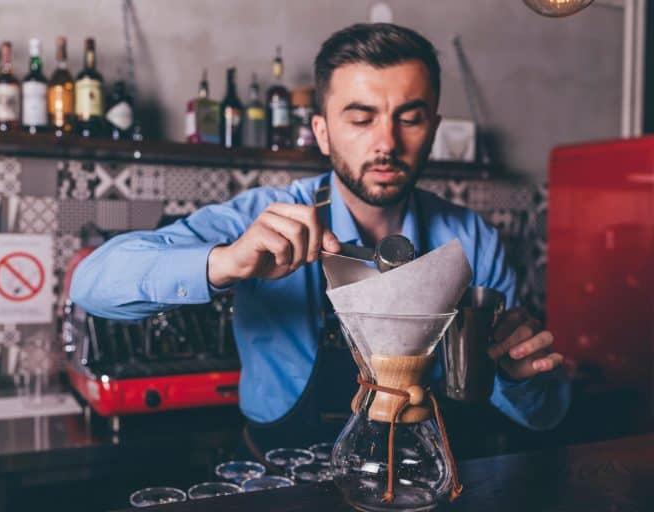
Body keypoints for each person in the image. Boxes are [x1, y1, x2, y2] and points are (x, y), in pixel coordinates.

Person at [70, 23, 570, 458]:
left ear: (433, 128)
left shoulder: (472, 241)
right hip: (284, 483)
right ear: (323, 132)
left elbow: (542, 417)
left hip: (423, 483)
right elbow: (92, 284)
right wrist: (225, 262)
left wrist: (520, 378)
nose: (386, 142)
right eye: (360, 118)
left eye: (410, 118)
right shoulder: (259, 217)